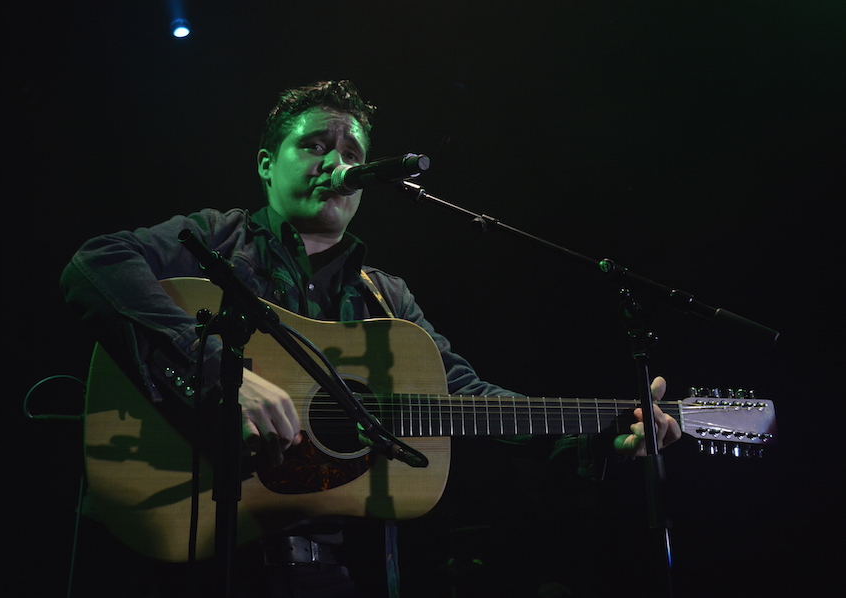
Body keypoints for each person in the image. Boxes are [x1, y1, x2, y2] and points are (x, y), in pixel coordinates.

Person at [61, 80, 681, 597]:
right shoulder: (213, 240)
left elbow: (464, 397)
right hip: (180, 557)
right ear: (266, 163)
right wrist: (218, 375)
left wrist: (598, 431)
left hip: (327, 573)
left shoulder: (386, 299)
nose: (336, 165)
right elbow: (95, 264)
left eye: (351, 152)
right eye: (314, 146)